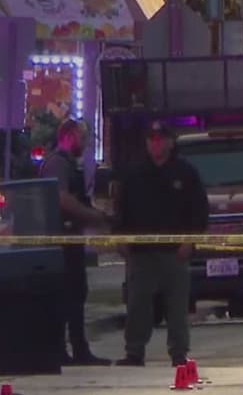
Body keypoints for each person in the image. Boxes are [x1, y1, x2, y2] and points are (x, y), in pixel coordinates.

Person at [114, 120, 209, 367]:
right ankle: (134, 352)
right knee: (138, 305)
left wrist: (189, 242)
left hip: (174, 253)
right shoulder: (134, 174)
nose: (155, 143)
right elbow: (121, 210)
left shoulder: (185, 173)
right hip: (140, 253)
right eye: (151, 139)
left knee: (177, 307)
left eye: (160, 139)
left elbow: (199, 212)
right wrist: (121, 239)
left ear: (170, 142)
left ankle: (179, 353)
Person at [40, 119, 111, 366]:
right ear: (69, 136)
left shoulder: (71, 165)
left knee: (77, 294)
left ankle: (80, 351)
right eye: (83, 137)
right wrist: (93, 217)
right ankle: (58, 351)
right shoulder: (57, 164)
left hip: (72, 241)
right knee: (65, 296)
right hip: (59, 243)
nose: (87, 143)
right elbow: (62, 200)